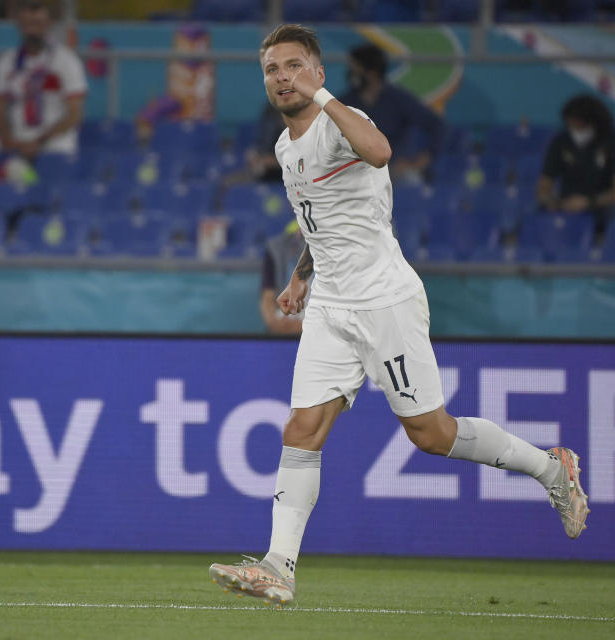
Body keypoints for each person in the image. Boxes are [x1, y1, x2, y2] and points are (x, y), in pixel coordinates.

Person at [208, 24, 588, 609]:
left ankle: (550, 468)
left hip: (385, 301)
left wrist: (325, 99)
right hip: (331, 306)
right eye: (272, 70)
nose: (281, 77)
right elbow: (321, 221)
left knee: (430, 434)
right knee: (301, 429)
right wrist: (301, 277)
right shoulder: (286, 149)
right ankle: (278, 565)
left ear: (318, 72)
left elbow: (381, 153)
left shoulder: (342, 121)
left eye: (293, 66)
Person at [0, 0, 88, 159]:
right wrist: (7, 139)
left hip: (54, 142)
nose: (32, 30)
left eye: (37, 23)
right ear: (19, 25)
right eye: (28, 24)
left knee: (57, 152)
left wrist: (39, 141)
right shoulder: (6, 62)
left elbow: (74, 114)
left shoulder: (67, 61)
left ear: (49, 24)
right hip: (17, 141)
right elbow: (0, 110)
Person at [341, 44, 444, 185]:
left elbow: (437, 126)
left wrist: (419, 161)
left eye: (356, 69)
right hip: (355, 172)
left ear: (372, 73)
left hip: (394, 171)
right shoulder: (345, 102)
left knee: (410, 181)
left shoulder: (398, 99)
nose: (351, 74)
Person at [537, 94, 615, 232]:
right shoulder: (560, 141)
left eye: (579, 125)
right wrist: (551, 201)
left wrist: (588, 202)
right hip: (567, 203)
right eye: (570, 125)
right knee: (535, 213)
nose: (575, 130)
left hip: (603, 205)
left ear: (593, 122)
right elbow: (544, 183)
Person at [260, 221, 306, 334]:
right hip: (284, 325)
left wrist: (306, 326)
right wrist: (275, 323)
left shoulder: (330, 248)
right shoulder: (275, 248)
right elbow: (267, 295)